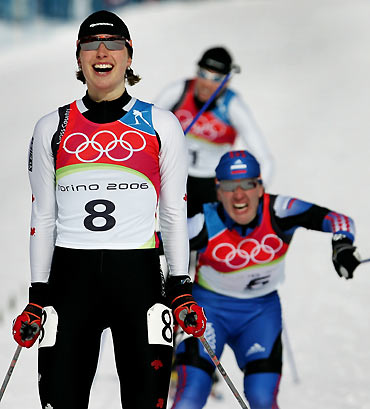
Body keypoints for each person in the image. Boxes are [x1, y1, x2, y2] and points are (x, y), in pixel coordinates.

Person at [12, 10, 206, 409]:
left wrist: (181, 287)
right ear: (79, 57)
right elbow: (43, 218)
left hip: (139, 281)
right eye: (91, 44)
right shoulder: (53, 126)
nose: (102, 52)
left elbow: (173, 214)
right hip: (69, 282)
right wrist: (37, 294)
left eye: (113, 44)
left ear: (129, 56)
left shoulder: (161, 124)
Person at [170, 150, 361, 409]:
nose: (239, 195)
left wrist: (342, 246)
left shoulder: (281, 210)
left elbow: (339, 220)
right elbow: (152, 242)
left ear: (260, 187)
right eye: (229, 186)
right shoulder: (203, 221)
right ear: (217, 191)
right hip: (207, 313)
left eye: (248, 184)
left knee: (262, 399)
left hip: (260, 315)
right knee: (189, 397)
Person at [155, 46, 275, 217]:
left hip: (213, 185)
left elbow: (265, 160)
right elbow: (143, 130)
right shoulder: (179, 91)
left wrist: (255, 198)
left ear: (227, 81)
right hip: (175, 176)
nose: (206, 84)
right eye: (203, 74)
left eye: (216, 79)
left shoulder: (232, 106)